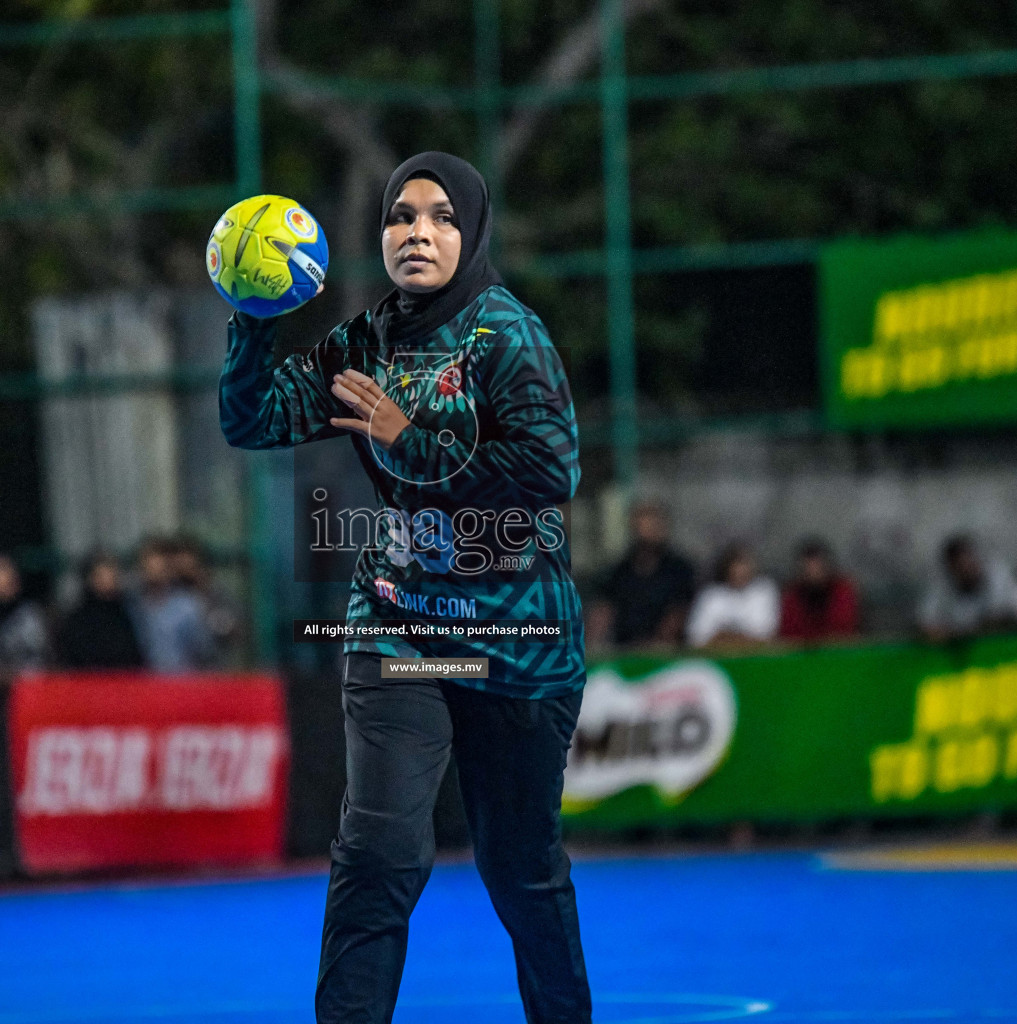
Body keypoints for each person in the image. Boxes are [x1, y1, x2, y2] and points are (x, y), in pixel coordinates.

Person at [220, 153, 590, 1023]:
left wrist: (406, 436)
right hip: (399, 632)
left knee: (523, 872)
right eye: (398, 216)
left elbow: (550, 469)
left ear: (472, 232)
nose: (416, 231)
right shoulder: (362, 341)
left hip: (517, 646)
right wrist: (253, 318)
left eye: (439, 216)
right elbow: (253, 419)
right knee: (379, 850)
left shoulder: (510, 337)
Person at [587, 500, 695, 652]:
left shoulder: (679, 570)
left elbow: (680, 611)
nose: (647, 532)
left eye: (653, 525)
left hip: (667, 653)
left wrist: (658, 642)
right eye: (642, 526)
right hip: (624, 650)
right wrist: (592, 644)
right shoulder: (618, 571)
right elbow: (603, 611)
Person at [130, 537, 214, 673]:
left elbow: (202, 650)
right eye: (148, 568)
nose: (154, 574)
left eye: (159, 569)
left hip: (182, 684)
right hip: (144, 686)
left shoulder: (187, 606)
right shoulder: (134, 606)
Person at [0, 552, 51, 696]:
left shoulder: (29, 617)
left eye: (0, 570)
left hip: (26, 701)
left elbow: (40, 668)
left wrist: (4, 677)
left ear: (15, 578)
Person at [917, 534, 1017, 643]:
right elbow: (926, 621)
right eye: (960, 567)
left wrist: (963, 631)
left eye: (969, 562)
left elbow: (999, 617)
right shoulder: (941, 586)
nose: (967, 570)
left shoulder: (997, 575)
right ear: (951, 569)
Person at [56, 551, 144, 670]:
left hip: (125, 683)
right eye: (102, 575)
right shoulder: (78, 620)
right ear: (90, 578)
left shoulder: (128, 613)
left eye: (113, 573)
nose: (111, 579)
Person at [687, 542, 780, 650]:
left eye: (744, 566)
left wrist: (723, 636)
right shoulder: (710, 596)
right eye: (736, 567)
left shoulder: (764, 592)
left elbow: (766, 635)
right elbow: (696, 638)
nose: (740, 572)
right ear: (727, 568)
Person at [778, 537, 859, 643]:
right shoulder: (791, 596)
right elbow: (789, 634)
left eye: (818, 567)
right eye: (809, 568)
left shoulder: (843, 591)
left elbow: (844, 630)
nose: (814, 573)